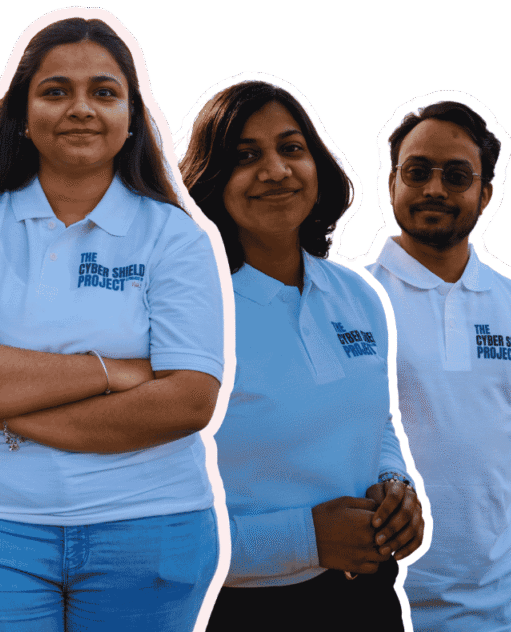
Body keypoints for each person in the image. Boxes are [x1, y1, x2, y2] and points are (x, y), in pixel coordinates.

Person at [0, 16, 225, 631]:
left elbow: (188, 401)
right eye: (56, 91)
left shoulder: (175, 237)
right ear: (22, 115)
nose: (80, 108)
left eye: (104, 92)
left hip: (149, 526)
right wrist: (116, 373)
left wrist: (4, 402)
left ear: (132, 116)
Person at [179, 81, 423, 629]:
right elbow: (150, 522)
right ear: (212, 179)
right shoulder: (188, 312)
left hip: (367, 602)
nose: (276, 170)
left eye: (292, 148)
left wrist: (396, 485)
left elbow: (377, 423)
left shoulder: (359, 296)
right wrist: (304, 539)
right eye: (246, 156)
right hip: (240, 610)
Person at [367, 100, 511, 632]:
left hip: (492, 608)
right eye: (418, 172)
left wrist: (472, 508)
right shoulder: (349, 299)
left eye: (457, 176)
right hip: (366, 599)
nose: (435, 188)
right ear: (392, 182)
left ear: (484, 194)